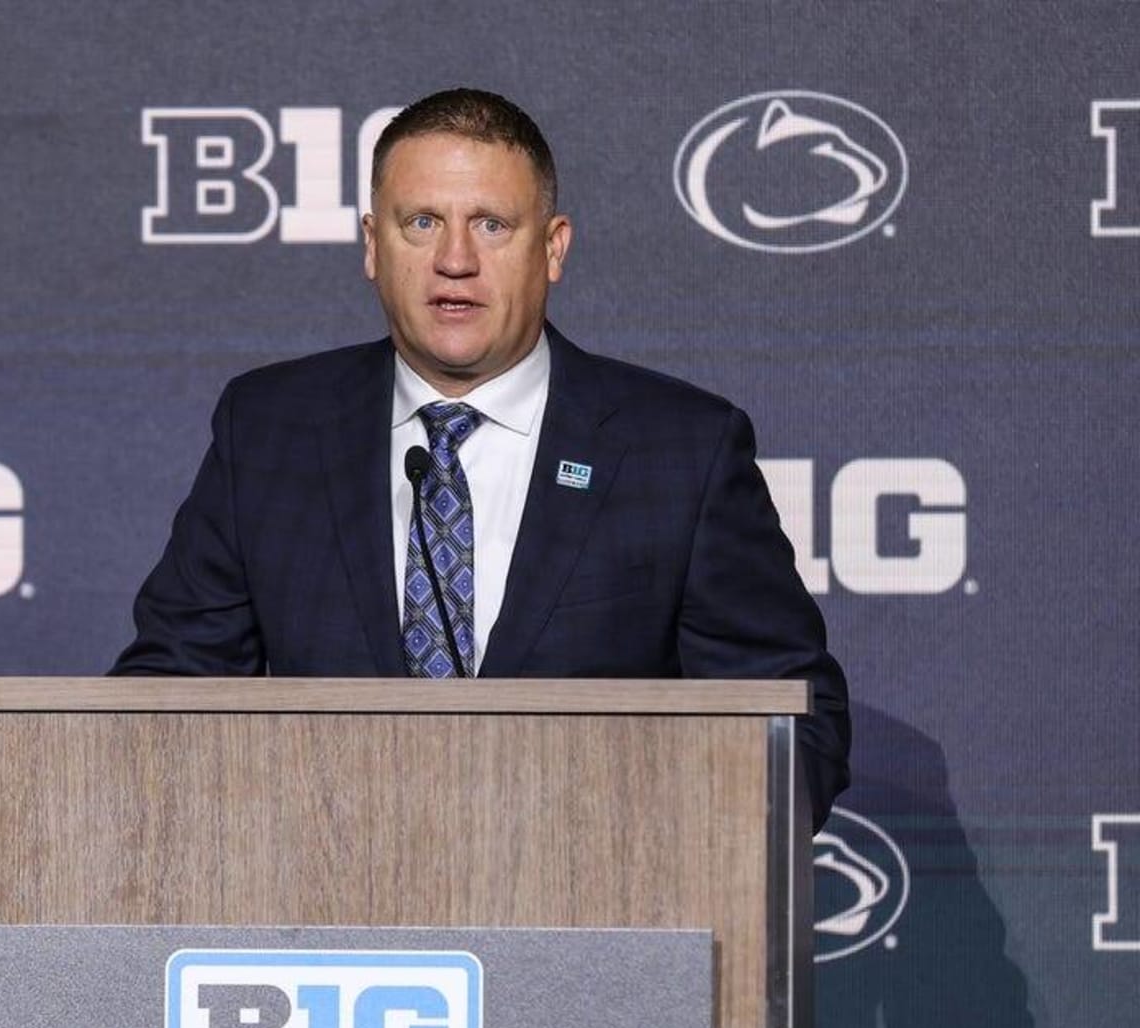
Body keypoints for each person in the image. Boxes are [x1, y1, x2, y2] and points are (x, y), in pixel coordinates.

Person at [113, 87, 849, 826]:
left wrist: (657, 851)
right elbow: (166, 700)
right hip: (325, 913)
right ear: (373, 245)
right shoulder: (271, 429)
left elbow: (793, 726)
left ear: (552, 248)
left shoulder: (680, 448)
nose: (454, 260)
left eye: (491, 225)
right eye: (422, 222)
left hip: (594, 913)